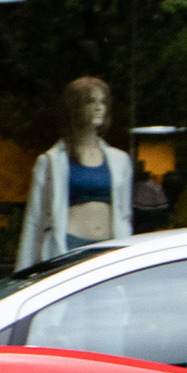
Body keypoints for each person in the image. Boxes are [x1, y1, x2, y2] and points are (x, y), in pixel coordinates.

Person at [17, 75, 134, 267]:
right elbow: (34, 220)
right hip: (68, 246)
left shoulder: (120, 160)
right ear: (75, 108)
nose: (99, 108)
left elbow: (125, 213)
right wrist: (23, 270)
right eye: (90, 101)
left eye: (103, 102)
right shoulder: (51, 161)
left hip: (109, 248)